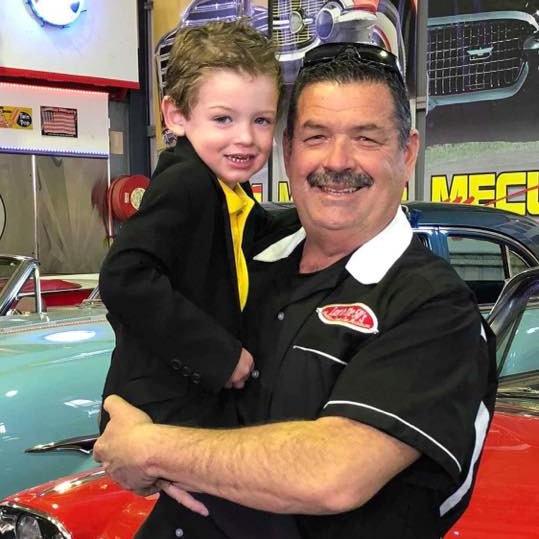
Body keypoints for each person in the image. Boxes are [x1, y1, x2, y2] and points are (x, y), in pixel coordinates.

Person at [95, 42, 498, 539]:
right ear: (288, 151)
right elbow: (139, 308)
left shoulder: (435, 309)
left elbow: (332, 475)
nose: (337, 160)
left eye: (366, 138)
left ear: (408, 152)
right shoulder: (249, 259)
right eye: (316, 136)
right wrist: (124, 424)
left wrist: (152, 448)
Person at [98, 18, 301, 539]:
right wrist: (219, 354)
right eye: (223, 118)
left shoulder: (227, 192)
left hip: (182, 406)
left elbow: (256, 232)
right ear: (176, 115)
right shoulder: (189, 182)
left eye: (261, 120)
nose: (246, 138)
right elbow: (124, 276)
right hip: (166, 403)